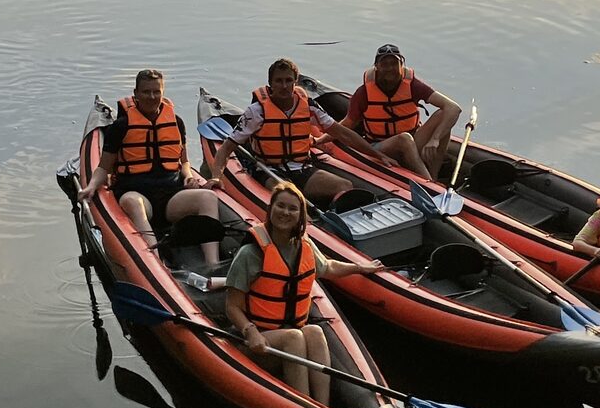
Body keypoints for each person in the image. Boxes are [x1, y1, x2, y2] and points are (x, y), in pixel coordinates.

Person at [224, 181, 359, 403]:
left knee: (314, 331)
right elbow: (232, 306)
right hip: (255, 342)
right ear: (271, 209)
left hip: (287, 332)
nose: (285, 212)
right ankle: (305, 403)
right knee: (295, 337)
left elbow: (327, 267)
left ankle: (323, 405)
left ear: (300, 215)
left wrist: (360, 268)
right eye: (280, 206)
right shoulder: (251, 253)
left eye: (292, 208)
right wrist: (250, 331)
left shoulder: (303, 245)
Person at [90, 68, 220, 264]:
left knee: (208, 197)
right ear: (136, 94)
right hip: (135, 194)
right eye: (146, 92)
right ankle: (156, 264)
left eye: (156, 91)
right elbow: (103, 168)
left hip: (170, 198)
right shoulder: (121, 126)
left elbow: (183, 161)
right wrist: (91, 187)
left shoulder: (176, 122)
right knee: (135, 203)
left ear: (162, 92)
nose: (152, 97)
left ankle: (213, 264)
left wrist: (188, 176)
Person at [204, 58, 343, 202]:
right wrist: (216, 176)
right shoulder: (257, 111)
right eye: (279, 81)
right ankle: (303, 218)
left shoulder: (307, 106)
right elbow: (226, 148)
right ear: (271, 84)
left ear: (295, 83)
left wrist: (368, 151)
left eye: (288, 80)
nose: (284, 85)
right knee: (290, 197)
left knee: (344, 185)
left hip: (301, 167)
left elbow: (344, 133)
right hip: (269, 170)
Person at [330, 42, 462, 179]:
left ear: (401, 66)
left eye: (394, 64)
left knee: (444, 118)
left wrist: (434, 139)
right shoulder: (363, 93)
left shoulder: (413, 85)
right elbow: (348, 124)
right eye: (385, 64)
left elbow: (454, 108)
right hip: (379, 147)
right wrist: (322, 138)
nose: (390, 68)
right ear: (376, 67)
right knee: (403, 139)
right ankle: (429, 183)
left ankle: (434, 176)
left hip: (412, 141)